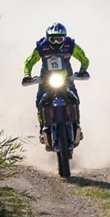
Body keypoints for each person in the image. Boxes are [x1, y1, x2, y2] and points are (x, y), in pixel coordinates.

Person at [22, 22, 90, 150]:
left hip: (67, 80)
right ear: (48, 38)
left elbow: (84, 59)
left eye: (60, 39)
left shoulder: (71, 45)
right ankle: (43, 129)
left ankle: (77, 127)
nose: (57, 42)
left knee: (75, 99)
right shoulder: (41, 47)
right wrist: (27, 75)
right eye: (53, 39)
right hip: (46, 81)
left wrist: (82, 70)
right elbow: (29, 62)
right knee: (40, 102)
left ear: (65, 37)